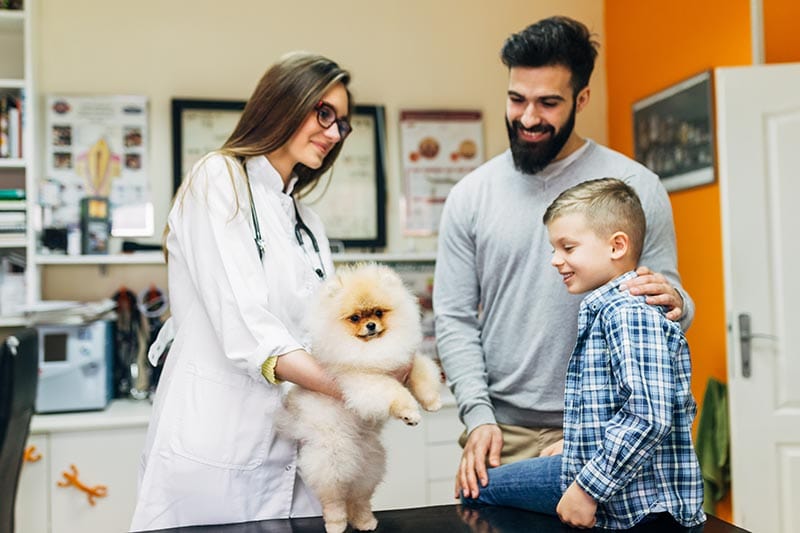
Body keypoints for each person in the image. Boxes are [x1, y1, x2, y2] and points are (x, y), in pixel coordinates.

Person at [433, 15, 695, 501]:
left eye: (548, 102)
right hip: (498, 435)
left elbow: (670, 303)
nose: (529, 117)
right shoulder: (471, 195)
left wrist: (677, 300)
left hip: (605, 432)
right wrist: (476, 417)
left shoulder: (635, 186)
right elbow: (453, 317)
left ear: (582, 99)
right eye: (517, 99)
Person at [130, 52, 354, 531]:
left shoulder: (306, 223)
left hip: (296, 448)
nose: (335, 134)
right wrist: (351, 387)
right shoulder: (218, 178)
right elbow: (246, 325)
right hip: (216, 443)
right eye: (324, 113)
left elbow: (324, 331)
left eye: (343, 125)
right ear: (283, 103)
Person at [462, 178, 706, 531]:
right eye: (554, 248)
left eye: (568, 247)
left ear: (617, 245)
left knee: (476, 492)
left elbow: (649, 417)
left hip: (641, 507)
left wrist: (586, 490)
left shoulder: (628, 313)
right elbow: (620, 404)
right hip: (616, 480)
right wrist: (577, 441)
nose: (555, 260)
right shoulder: (609, 309)